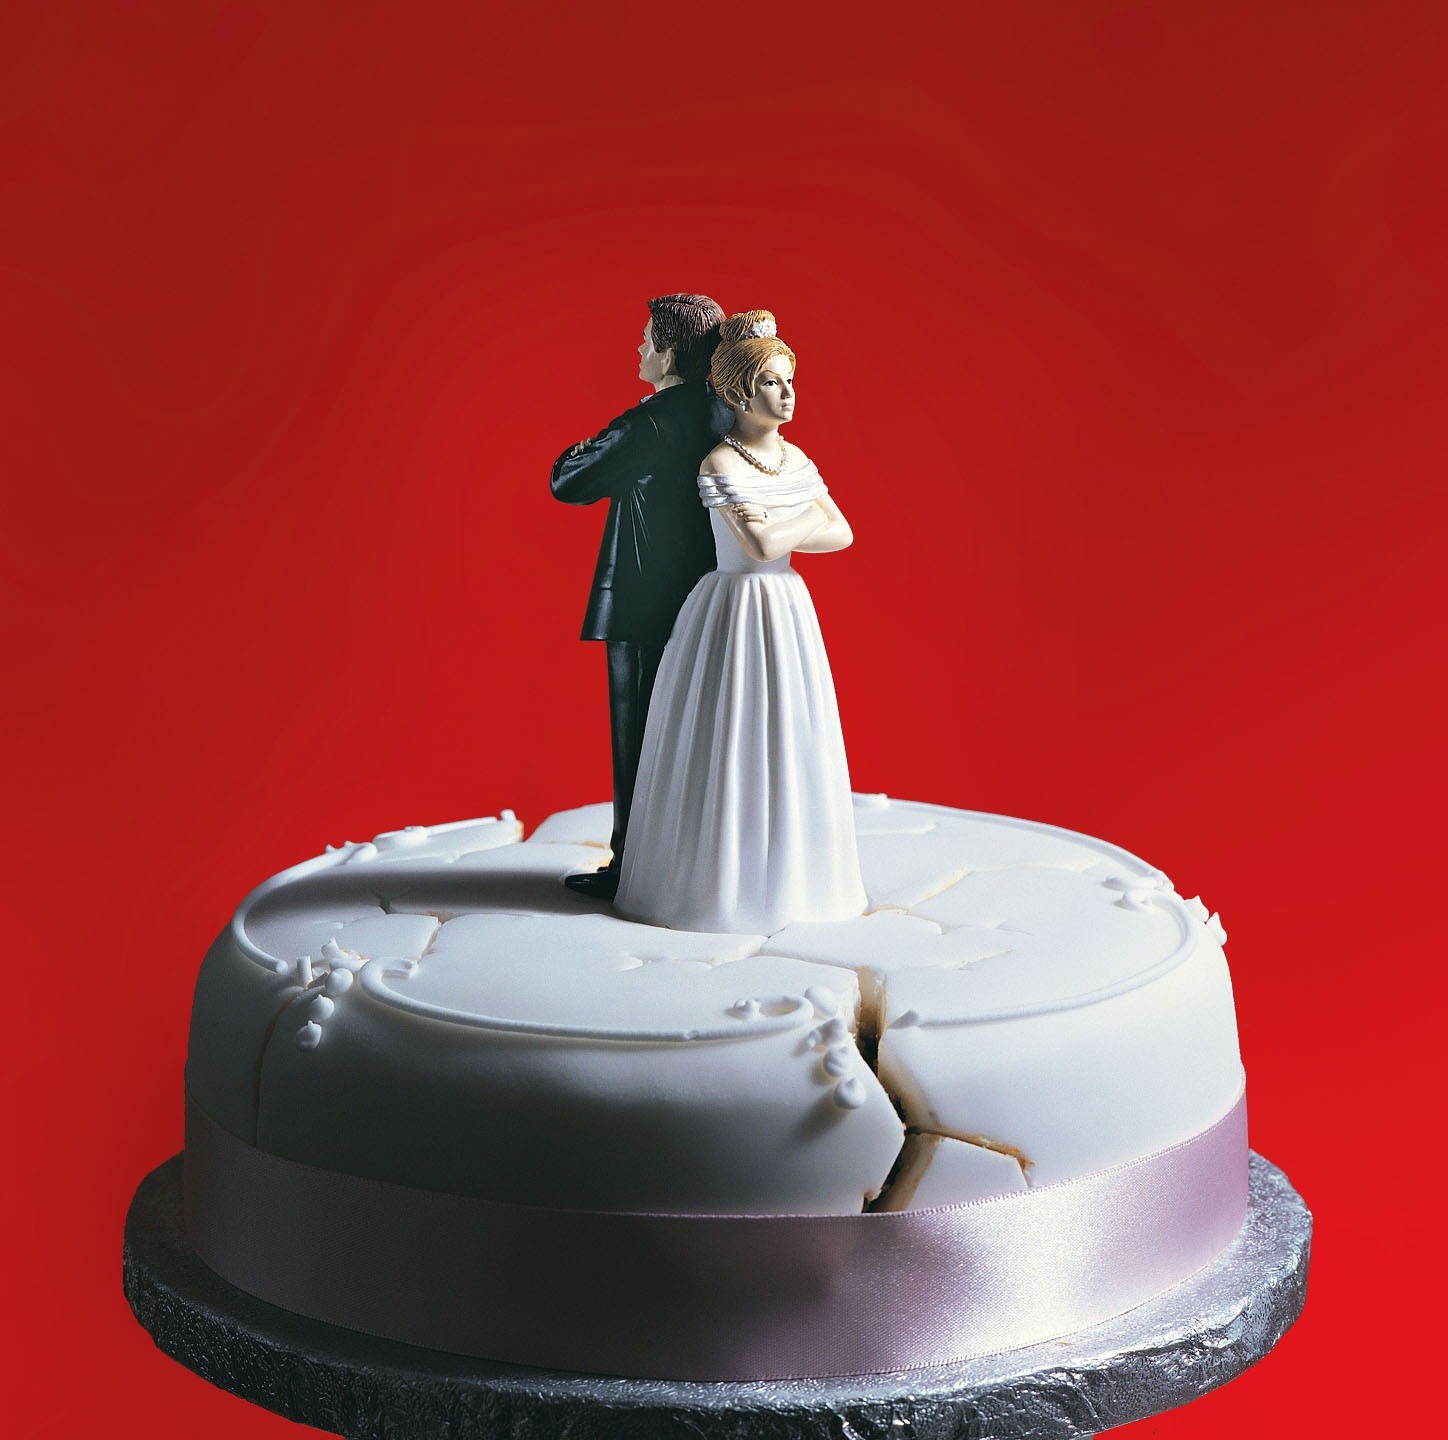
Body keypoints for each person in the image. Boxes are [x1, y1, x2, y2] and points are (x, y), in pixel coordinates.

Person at [614, 310, 867, 934]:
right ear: (736, 391)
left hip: (787, 609)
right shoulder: (720, 465)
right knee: (727, 730)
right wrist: (802, 521)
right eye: (771, 383)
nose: (787, 394)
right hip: (733, 608)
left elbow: (843, 532)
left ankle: (789, 884)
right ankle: (716, 886)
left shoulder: (796, 458)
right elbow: (759, 547)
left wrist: (786, 525)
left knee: (790, 728)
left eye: (789, 381)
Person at [551, 294, 726, 899]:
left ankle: (634, 868)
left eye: (649, 338)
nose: (639, 348)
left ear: (670, 352)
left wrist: (589, 444)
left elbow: (569, 480)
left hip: (642, 597)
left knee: (638, 737)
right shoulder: (724, 412)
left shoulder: (649, 422)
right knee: (700, 733)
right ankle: (695, 865)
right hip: (708, 592)